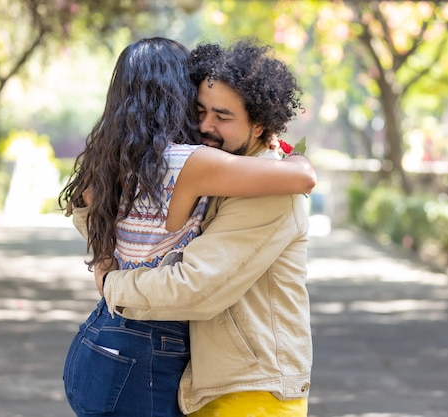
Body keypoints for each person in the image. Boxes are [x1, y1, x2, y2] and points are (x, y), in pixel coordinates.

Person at [60, 37, 315, 417]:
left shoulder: (265, 190)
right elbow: (160, 236)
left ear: (260, 124)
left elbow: (194, 285)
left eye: (223, 116)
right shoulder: (201, 165)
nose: (206, 126)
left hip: (246, 390)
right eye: (199, 110)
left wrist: (110, 279)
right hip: (176, 370)